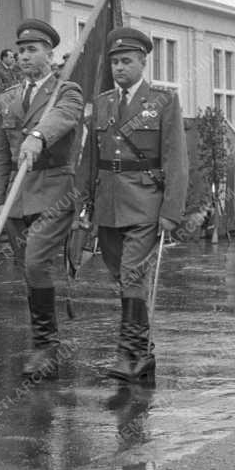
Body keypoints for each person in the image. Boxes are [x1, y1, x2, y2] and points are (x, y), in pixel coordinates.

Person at [82, 27, 188, 383]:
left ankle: (129, 353)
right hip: (108, 204)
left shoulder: (163, 101)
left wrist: (171, 212)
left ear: (144, 62)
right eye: (114, 61)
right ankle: (143, 350)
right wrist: (84, 203)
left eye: (126, 60)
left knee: (131, 273)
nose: (119, 67)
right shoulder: (102, 103)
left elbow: (176, 160)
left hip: (145, 203)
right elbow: (90, 158)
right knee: (123, 277)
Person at [0, 19, 84, 377]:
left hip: (53, 190)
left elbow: (63, 118)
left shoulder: (67, 91)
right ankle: (42, 340)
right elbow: (1, 153)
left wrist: (37, 136)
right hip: (17, 196)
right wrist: (0, 199)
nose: (24, 56)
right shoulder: (7, 98)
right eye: (20, 50)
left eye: (32, 50)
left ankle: (47, 348)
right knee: (29, 270)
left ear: (50, 53)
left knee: (34, 261)